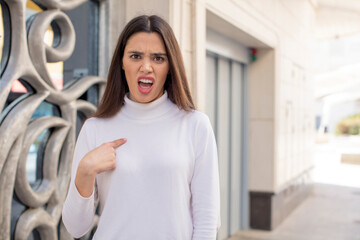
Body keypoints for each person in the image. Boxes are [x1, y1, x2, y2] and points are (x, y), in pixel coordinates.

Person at [62, 14, 220, 240]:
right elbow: (75, 228)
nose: (146, 67)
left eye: (158, 58)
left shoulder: (195, 125)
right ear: (122, 63)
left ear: (170, 67)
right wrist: (85, 170)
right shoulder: (95, 128)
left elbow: (206, 220)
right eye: (135, 56)